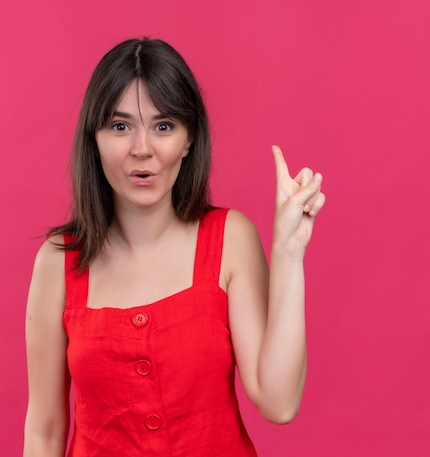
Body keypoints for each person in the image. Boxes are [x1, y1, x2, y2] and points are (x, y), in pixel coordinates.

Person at [23, 37, 326, 457]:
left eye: (163, 126)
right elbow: (45, 431)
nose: (142, 149)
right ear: (93, 138)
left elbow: (279, 402)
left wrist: (289, 252)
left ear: (188, 139)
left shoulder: (230, 239)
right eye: (120, 125)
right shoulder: (59, 262)